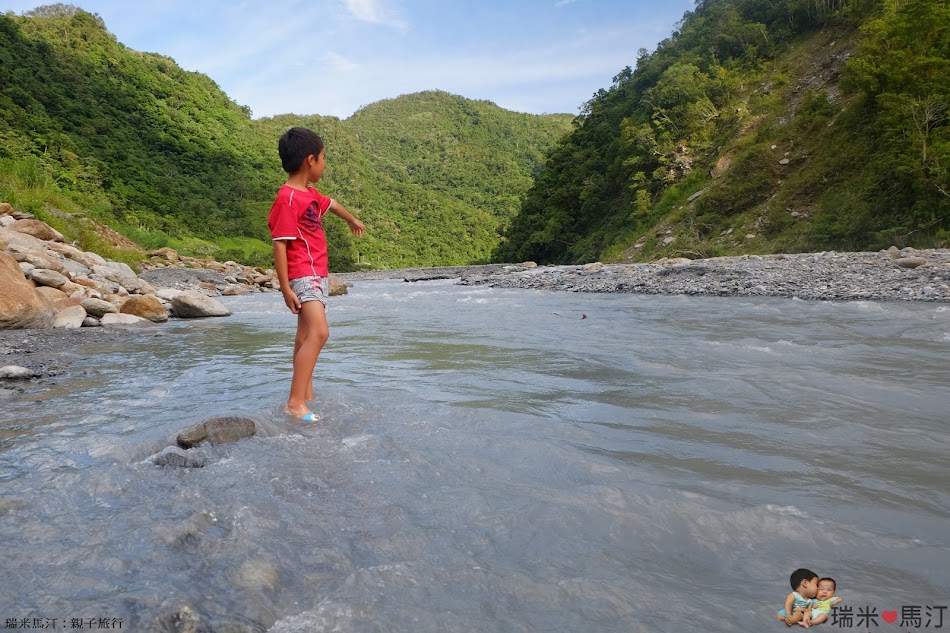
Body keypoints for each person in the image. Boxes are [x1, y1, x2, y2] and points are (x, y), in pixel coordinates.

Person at [268, 127, 365, 421]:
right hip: (303, 275)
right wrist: (285, 287)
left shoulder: (309, 194)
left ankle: (305, 392)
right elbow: (280, 245)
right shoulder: (287, 199)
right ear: (311, 160)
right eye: (323, 158)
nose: (324, 163)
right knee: (320, 333)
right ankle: (295, 403)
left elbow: (331, 203)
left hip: (316, 273)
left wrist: (351, 219)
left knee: (305, 335)